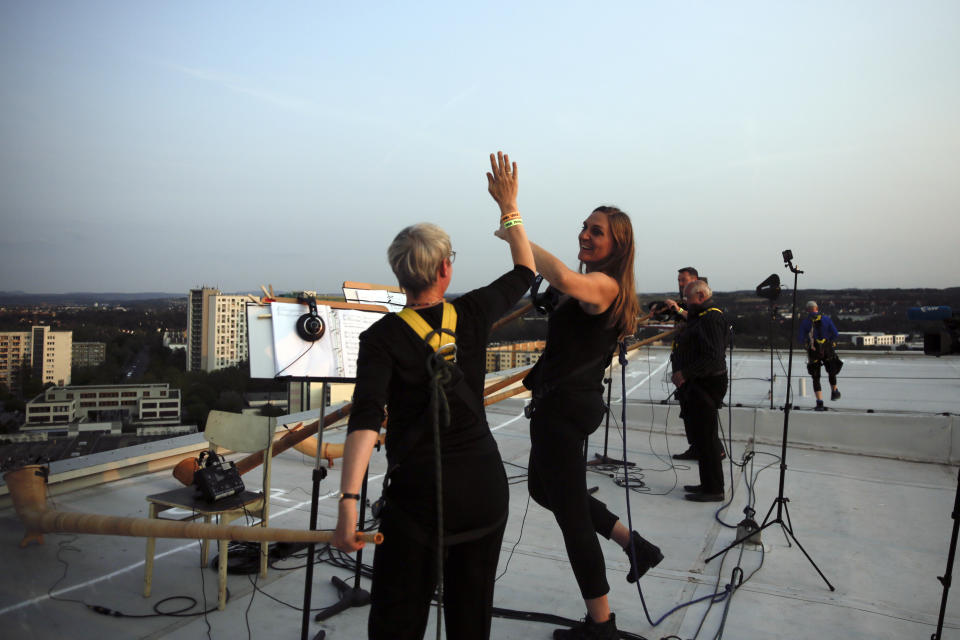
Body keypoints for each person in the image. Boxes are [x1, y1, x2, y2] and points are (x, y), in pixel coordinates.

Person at [331, 152, 535, 640]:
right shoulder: (474, 310)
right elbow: (525, 269)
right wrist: (509, 206)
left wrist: (347, 505)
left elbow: (365, 422)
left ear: (402, 276)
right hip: (485, 489)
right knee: (471, 619)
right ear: (445, 269)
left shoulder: (380, 338)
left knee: (397, 622)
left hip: (420, 499)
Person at [507, 205, 663, 640]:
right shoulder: (596, 288)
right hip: (568, 406)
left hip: (563, 412)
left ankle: (601, 625)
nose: (586, 235)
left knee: (572, 518)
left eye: (597, 232)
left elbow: (565, 279)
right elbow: (563, 293)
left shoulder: (603, 285)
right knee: (545, 489)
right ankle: (636, 545)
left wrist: (513, 225)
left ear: (618, 246)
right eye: (584, 227)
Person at [671, 279, 728, 503]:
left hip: (706, 385)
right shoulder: (702, 318)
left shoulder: (711, 318)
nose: (686, 302)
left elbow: (713, 357)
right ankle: (708, 484)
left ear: (701, 296)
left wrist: (686, 373)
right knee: (703, 439)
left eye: (688, 298)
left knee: (707, 438)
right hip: (698, 385)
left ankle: (714, 489)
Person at [659, 267, 701, 460]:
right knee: (687, 409)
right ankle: (695, 447)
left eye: (683, 280)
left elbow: (697, 319)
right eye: (679, 280)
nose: (680, 283)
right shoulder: (684, 303)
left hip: (693, 365)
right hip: (681, 360)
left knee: (697, 410)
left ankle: (712, 449)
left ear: (695, 280)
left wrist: (678, 309)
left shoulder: (699, 301)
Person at [797, 300, 842, 411]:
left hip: (813, 352)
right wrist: (831, 342)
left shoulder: (806, 322)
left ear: (807, 310)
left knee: (816, 378)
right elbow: (835, 334)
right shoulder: (826, 319)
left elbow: (800, 338)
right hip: (827, 350)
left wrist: (808, 342)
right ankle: (834, 391)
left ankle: (819, 402)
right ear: (817, 308)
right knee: (831, 371)